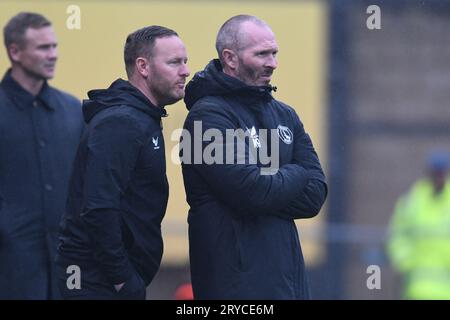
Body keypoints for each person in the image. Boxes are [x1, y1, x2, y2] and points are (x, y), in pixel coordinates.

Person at [180, 15, 327, 299]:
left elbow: (315, 195)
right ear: (230, 58)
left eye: (274, 53)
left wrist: (269, 183)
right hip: (235, 289)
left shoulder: (284, 114)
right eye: (262, 54)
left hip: (288, 286)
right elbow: (252, 191)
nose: (273, 63)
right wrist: (297, 172)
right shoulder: (207, 116)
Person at [56, 25, 190, 300]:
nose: (185, 70)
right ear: (143, 66)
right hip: (97, 283)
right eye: (175, 62)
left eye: (185, 61)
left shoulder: (143, 117)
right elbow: (98, 207)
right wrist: (122, 280)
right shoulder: (121, 122)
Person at [0, 12, 83, 299]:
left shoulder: (73, 111)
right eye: (43, 47)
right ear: (15, 52)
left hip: (66, 273)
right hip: (11, 272)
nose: (53, 55)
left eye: (55, 46)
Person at [387, 151, 450, 299]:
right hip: (416, 289)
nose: (439, 178)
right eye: (436, 173)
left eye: (442, 173)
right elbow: (397, 235)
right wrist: (405, 261)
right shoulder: (413, 201)